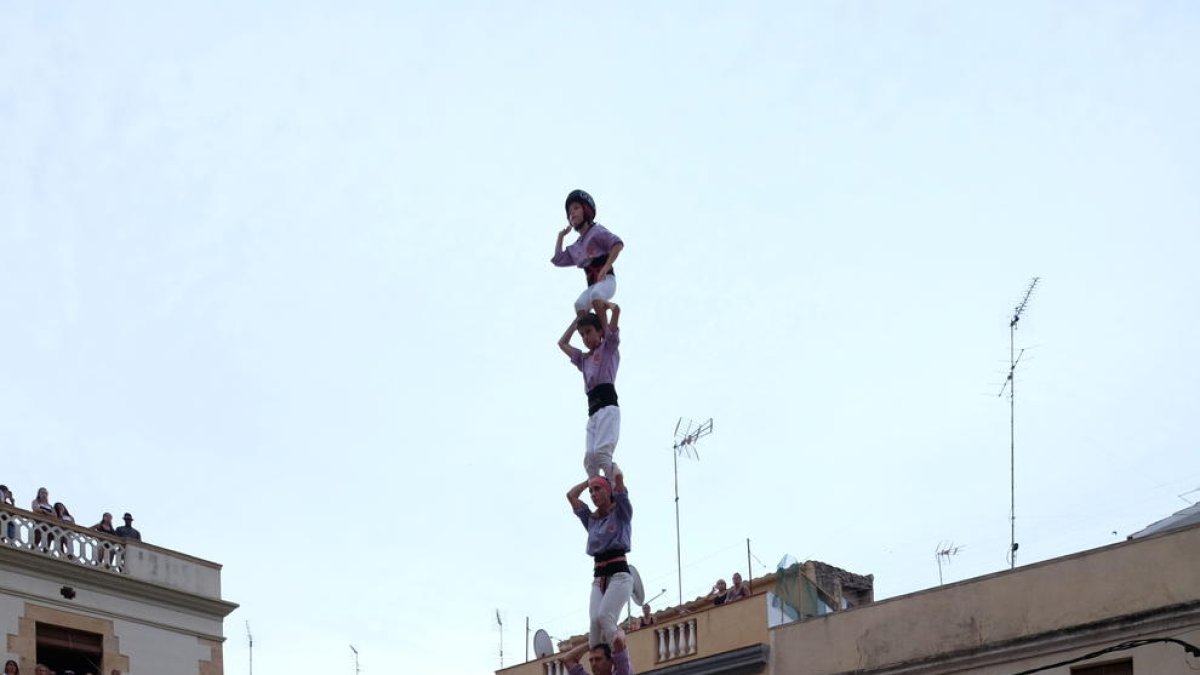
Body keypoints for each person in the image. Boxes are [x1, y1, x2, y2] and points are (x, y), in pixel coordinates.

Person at [568, 468, 633, 649]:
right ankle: (598, 660)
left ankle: (622, 659)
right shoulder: (591, 519)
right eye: (591, 491)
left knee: (605, 616)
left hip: (619, 574)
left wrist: (610, 469)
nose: (593, 494)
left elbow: (619, 478)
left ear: (608, 490)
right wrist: (589, 480)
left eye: (597, 489)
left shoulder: (621, 512)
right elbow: (571, 496)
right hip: (599, 577)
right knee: (594, 624)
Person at [558, 304, 621, 478]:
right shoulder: (584, 359)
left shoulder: (607, 348)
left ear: (600, 332)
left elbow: (615, 314)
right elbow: (562, 343)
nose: (585, 337)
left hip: (607, 407)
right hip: (593, 412)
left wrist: (609, 306)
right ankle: (598, 488)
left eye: (588, 331)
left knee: (602, 454)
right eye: (582, 335)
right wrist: (577, 321)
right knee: (589, 459)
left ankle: (616, 487)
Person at [552, 189, 624, 333]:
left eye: (576, 208)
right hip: (593, 286)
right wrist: (560, 237)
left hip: (607, 281)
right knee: (579, 304)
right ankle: (593, 335)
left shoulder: (596, 231)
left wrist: (606, 267)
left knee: (596, 295)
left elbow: (617, 244)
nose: (572, 214)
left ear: (586, 210)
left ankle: (607, 333)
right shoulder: (577, 247)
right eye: (569, 212)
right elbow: (558, 259)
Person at [562, 631, 633, 675]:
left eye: (598, 659)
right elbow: (568, 659)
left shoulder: (622, 672)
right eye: (591, 660)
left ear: (611, 661)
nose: (594, 664)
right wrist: (591, 643)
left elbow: (619, 639)